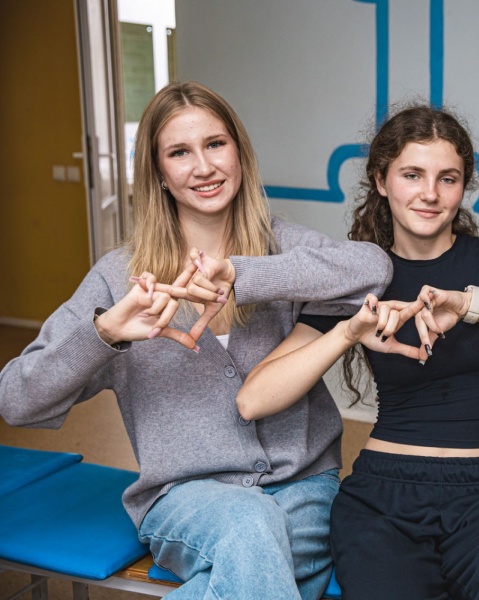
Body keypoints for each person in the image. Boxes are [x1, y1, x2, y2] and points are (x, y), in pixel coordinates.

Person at [0, 81, 393, 600]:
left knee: (256, 558)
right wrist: (104, 333)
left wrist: (242, 275)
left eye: (215, 144)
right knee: (252, 526)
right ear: (159, 173)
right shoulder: (118, 279)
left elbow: (372, 267)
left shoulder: (283, 247)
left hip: (304, 489)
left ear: (239, 152)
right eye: (180, 152)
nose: (204, 166)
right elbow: (16, 400)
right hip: (184, 498)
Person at [236, 105, 479, 600]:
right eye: (412, 174)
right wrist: (348, 332)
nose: (430, 193)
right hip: (382, 496)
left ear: (463, 187)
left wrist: (476, 307)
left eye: (447, 178)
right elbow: (253, 400)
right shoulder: (362, 276)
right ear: (381, 180)